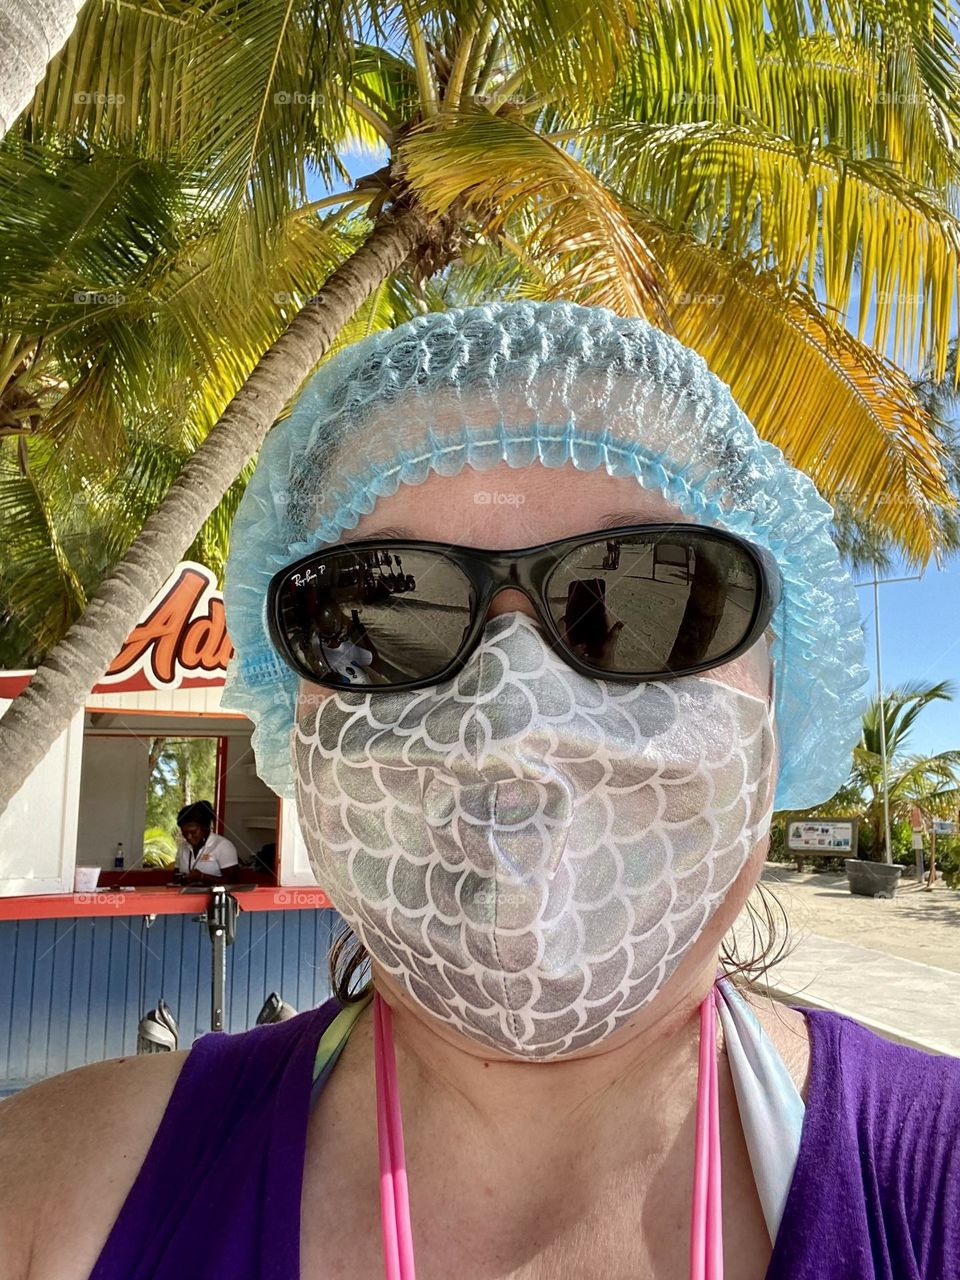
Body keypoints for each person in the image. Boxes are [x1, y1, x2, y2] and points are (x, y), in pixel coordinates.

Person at [1, 301, 958, 1280]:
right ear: (298, 714)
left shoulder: (939, 1184)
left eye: (646, 596)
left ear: (780, 685)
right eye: (381, 606)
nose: (511, 712)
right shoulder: (48, 1193)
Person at [173, 799, 240, 882]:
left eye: (193, 832)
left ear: (205, 828)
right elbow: (175, 875)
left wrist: (202, 877)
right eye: (184, 833)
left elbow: (233, 881)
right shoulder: (183, 847)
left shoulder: (223, 846)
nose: (188, 837)